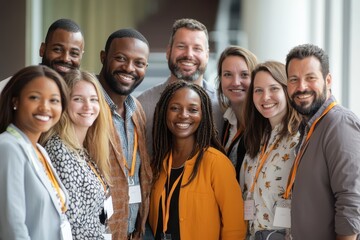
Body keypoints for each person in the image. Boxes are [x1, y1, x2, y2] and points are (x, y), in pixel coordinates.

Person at [149, 80, 247, 240]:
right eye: (175, 108)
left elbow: (235, 227)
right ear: (164, 113)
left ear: (203, 115)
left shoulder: (216, 163)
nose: (183, 115)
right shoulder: (156, 165)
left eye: (193, 109)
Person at [285, 44, 360, 239]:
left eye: (310, 78)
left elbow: (351, 200)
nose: (301, 87)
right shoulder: (309, 126)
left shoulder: (340, 123)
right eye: (294, 79)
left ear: (328, 80)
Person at [0, 65, 71, 239]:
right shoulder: (8, 147)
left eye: (54, 100)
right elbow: (13, 228)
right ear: (15, 101)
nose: (45, 107)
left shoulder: (38, 149)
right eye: (34, 98)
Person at [40, 70, 112, 239]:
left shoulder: (82, 148)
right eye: (78, 99)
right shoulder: (59, 151)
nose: (88, 106)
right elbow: (71, 223)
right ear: (64, 103)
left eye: (93, 99)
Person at [137, 18, 223, 155]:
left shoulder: (222, 106)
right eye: (181, 46)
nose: (189, 54)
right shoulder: (142, 105)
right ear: (168, 51)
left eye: (197, 48)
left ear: (207, 55)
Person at [97, 28, 153, 239]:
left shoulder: (136, 109)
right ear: (103, 57)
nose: (129, 68)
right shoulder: (87, 104)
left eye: (139, 63)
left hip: (131, 232)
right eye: (120, 58)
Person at [239, 61, 300, 239]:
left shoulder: (299, 139)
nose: (265, 97)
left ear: (287, 90)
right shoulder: (256, 139)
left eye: (273, 88)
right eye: (258, 90)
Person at [0, 18, 84, 92]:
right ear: (42, 49)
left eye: (74, 53)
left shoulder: (87, 95)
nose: (65, 59)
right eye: (57, 49)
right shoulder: (10, 87)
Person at [216, 46, 258, 180]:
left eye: (244, 75)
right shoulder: (228, 121)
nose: (235, 82)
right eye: (228, 74)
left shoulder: (264, 123)